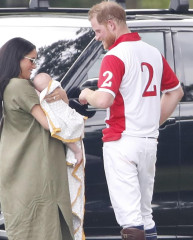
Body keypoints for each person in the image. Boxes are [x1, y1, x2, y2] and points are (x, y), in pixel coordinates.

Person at [79, 2, 184, 240]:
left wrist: (87, 94)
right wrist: (151, 122)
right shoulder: (152, 52)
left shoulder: (115, 55)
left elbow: (104, 99)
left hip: (122, 141)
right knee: (145, 214)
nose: (97, 38)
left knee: (130, 218)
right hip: (148, 141)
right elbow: (175, 92)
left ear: (112, 24)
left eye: (98, 31)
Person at [0, 37, 74, 240]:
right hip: (35, 171)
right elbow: (50, 124)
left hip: (19, 170)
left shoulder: (8, 86)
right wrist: (63, 100)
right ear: (16, 59)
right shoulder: (20, 86)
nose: (34, 66)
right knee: (45, 229)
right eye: (31, 60)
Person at [33, 72, 86, 240]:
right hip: (67, 148)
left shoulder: (51, 98)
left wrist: (64, 98)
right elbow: (58, 125)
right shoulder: (46, 101)